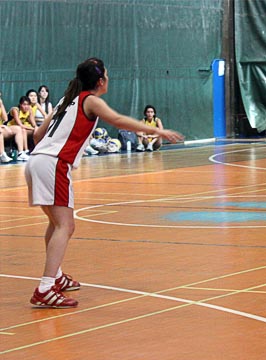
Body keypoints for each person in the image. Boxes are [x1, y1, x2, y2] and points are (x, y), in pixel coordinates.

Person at [25, 57, 183, 308]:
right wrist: (158, 131)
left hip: (36, 161)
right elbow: (118, 121)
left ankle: (55, 276)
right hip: (54, 164)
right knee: (66, 226)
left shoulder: (66, 101)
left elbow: (37, 134)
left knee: (56, 223)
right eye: (106, 76)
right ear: (100, 81)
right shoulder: (90, 101)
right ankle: (45, 288)